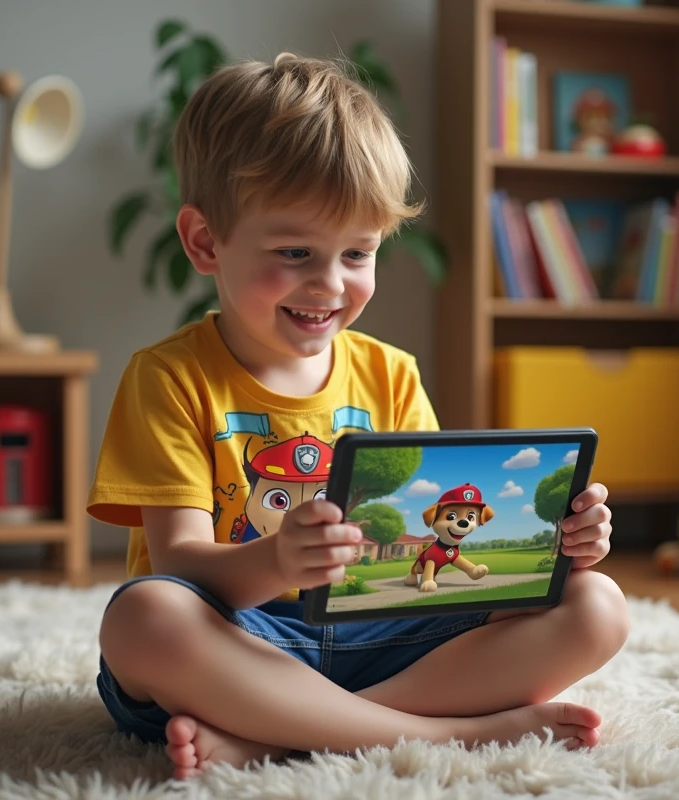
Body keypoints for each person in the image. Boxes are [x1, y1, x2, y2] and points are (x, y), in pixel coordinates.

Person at [88, 51, 629, 780]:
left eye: (357, 252)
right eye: (294, 251)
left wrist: (553, 550)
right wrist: (277, 561)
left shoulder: (390, 373)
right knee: (142, 619)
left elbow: (426, 553)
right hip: (238, 644)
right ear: (206, 242)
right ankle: (437, 734)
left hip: (377, 635)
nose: (330, 283)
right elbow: (181, 565)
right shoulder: (169, 377)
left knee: (598, 604)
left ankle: (285, 737)